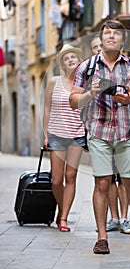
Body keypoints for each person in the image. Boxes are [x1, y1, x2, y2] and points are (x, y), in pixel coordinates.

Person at [70, 20, 130, 254]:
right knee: (102, 183)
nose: (111, 37)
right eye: (107, 33)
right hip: (98, 131)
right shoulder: (87, 67)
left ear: (122, 40)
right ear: (101, 38)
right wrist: (91, 92)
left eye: (116, 34)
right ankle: (102, 237)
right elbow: (73, 101)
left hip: (126, 131)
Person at [90, 34, 130, 235]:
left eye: (101, 46)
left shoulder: (124, 68)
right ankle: (114, 217)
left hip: (124, 130)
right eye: (95, 47)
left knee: (124, 177)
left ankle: (125, 218)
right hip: (100, 132)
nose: (99, 50)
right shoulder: (90, 72)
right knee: (106, 179)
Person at [43, 43, 86, 232]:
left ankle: (64, 218)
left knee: (71, 176)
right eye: (66, 58)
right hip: (56, 134)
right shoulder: (54, 81)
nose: (70, 60)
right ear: (62, 62)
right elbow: (46, 108)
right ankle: (62, 209)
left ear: (78, 61)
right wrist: (45, 134)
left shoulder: (84, 83)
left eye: (73, 57)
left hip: (77, 133)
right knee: (56, 179)